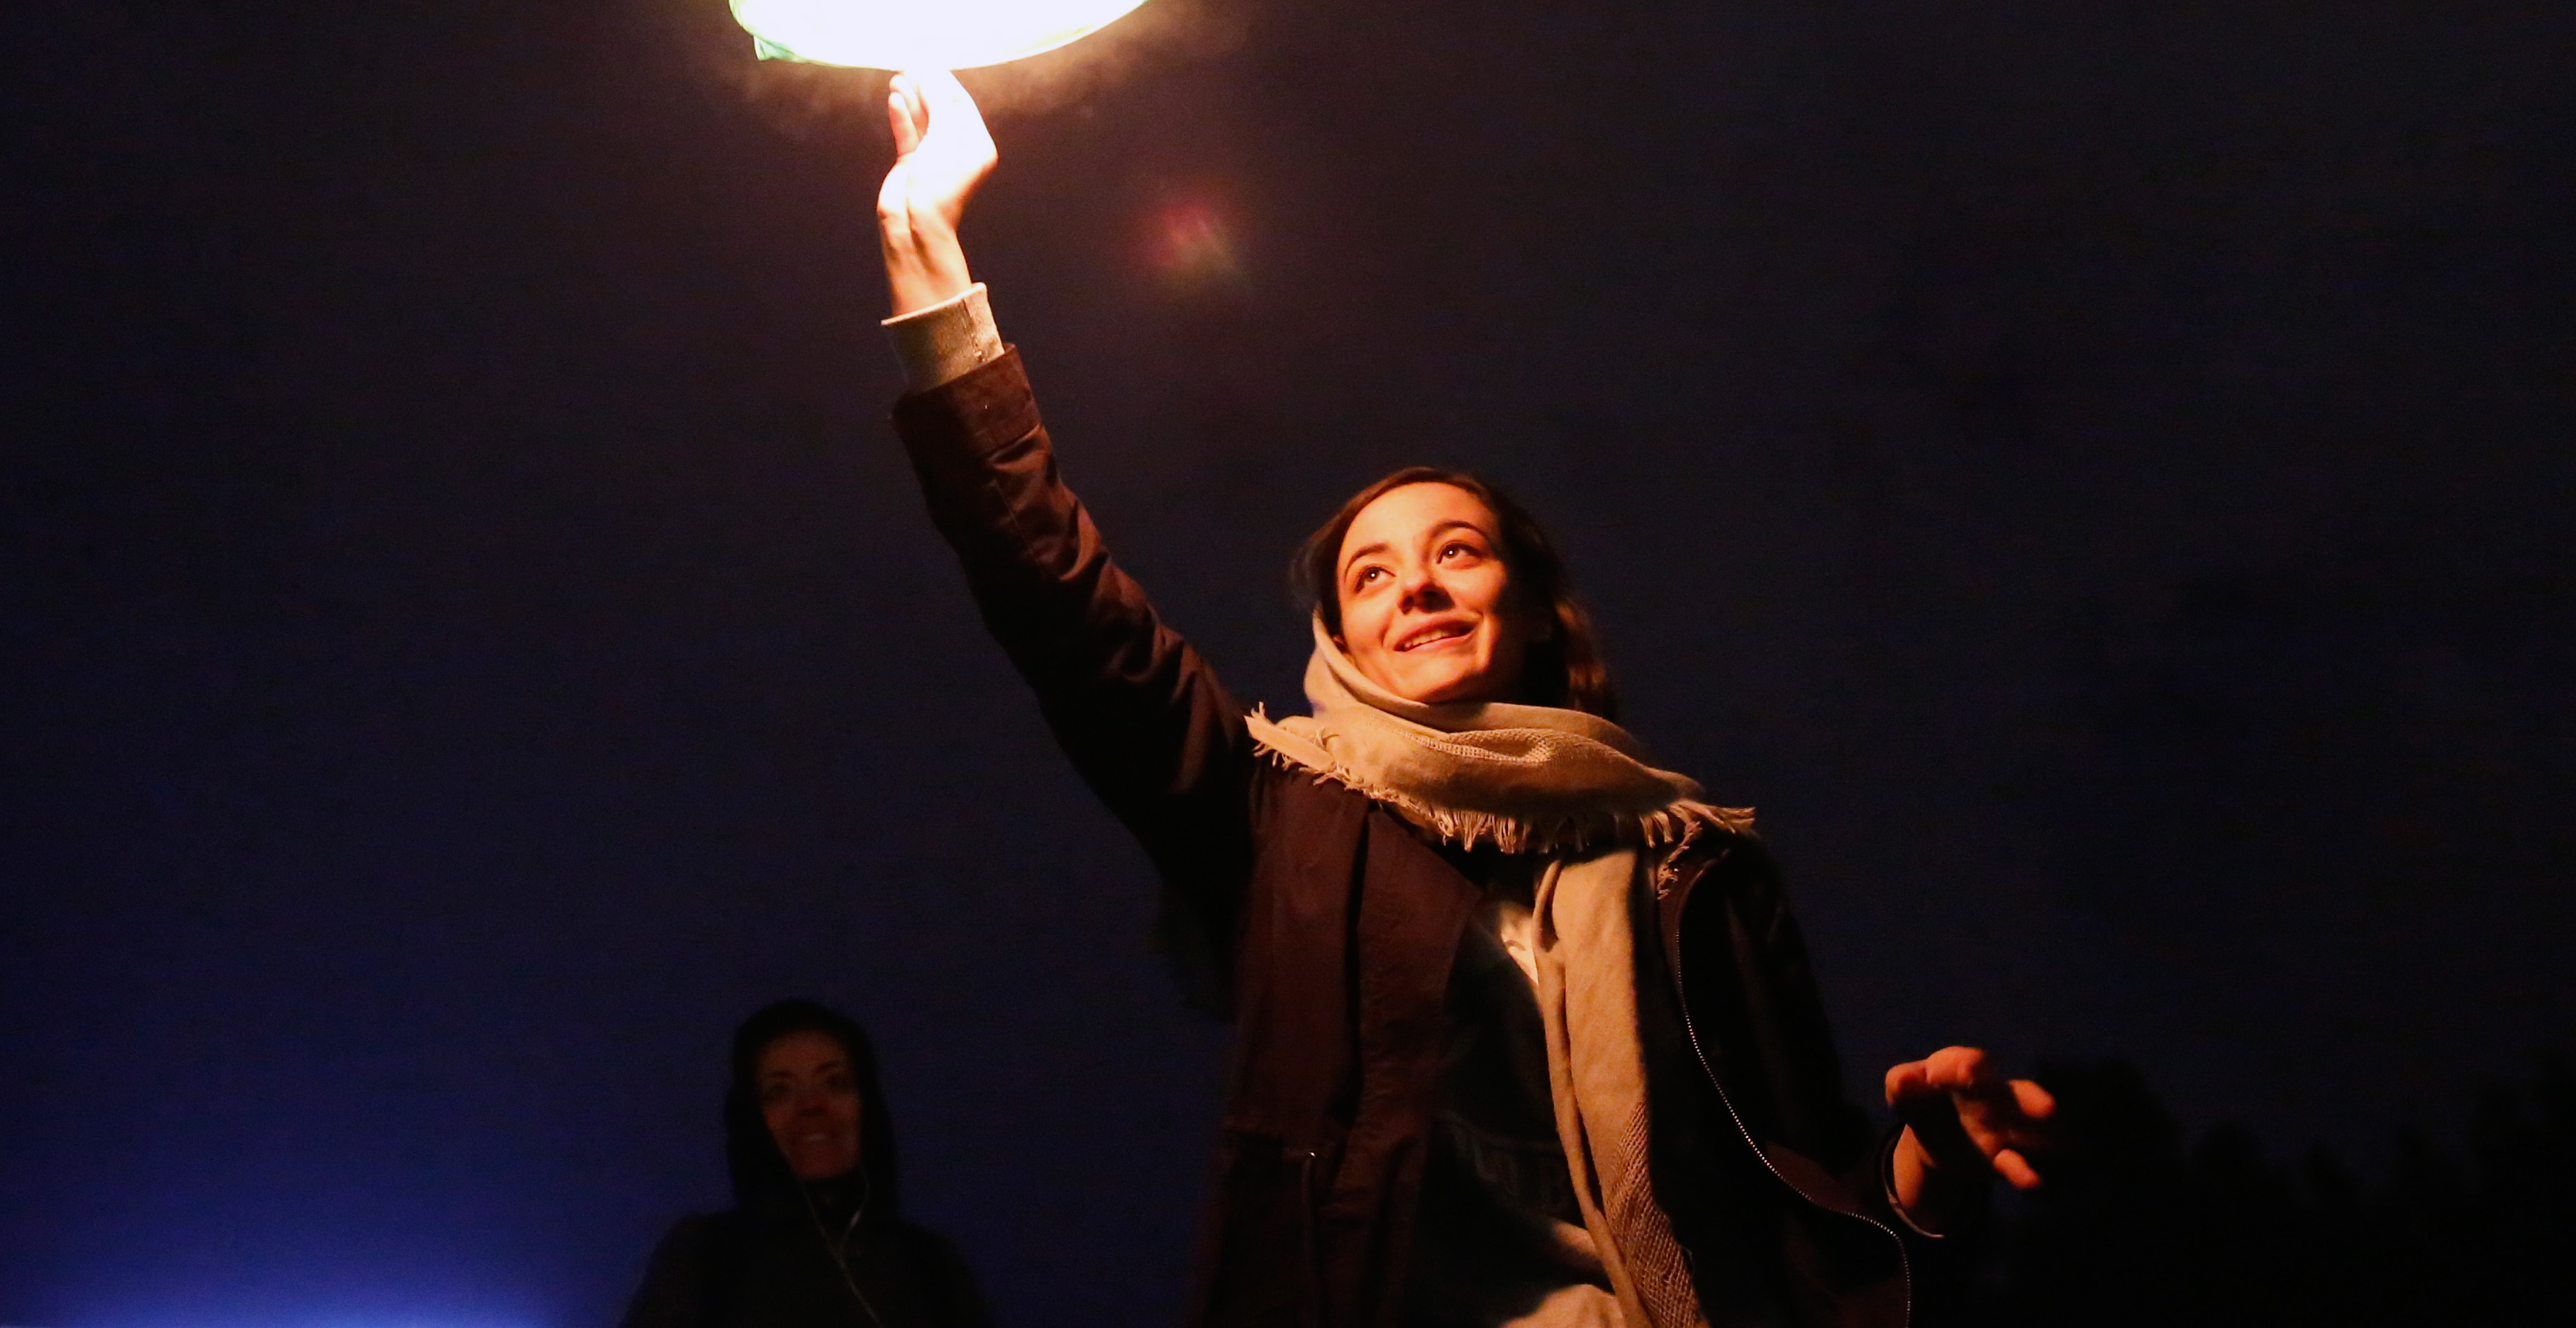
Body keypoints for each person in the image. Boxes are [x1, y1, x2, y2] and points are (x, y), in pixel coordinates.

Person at [868, 70, 2054, 1328]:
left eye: (1456, 552)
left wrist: (1926, 1170)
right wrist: (932, 271)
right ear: (1341, 642)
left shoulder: (1697, 872)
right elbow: (1061, 607)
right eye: (1370, 576)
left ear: (1532, 603)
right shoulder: (1282, 821)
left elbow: (1810, 1201)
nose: (1416, 588)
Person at [621, 998, 1001, 1328]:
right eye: (779, 1091)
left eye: (835, 1083)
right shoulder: (707, 1259)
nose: (811, 1106)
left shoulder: (930, 1266)